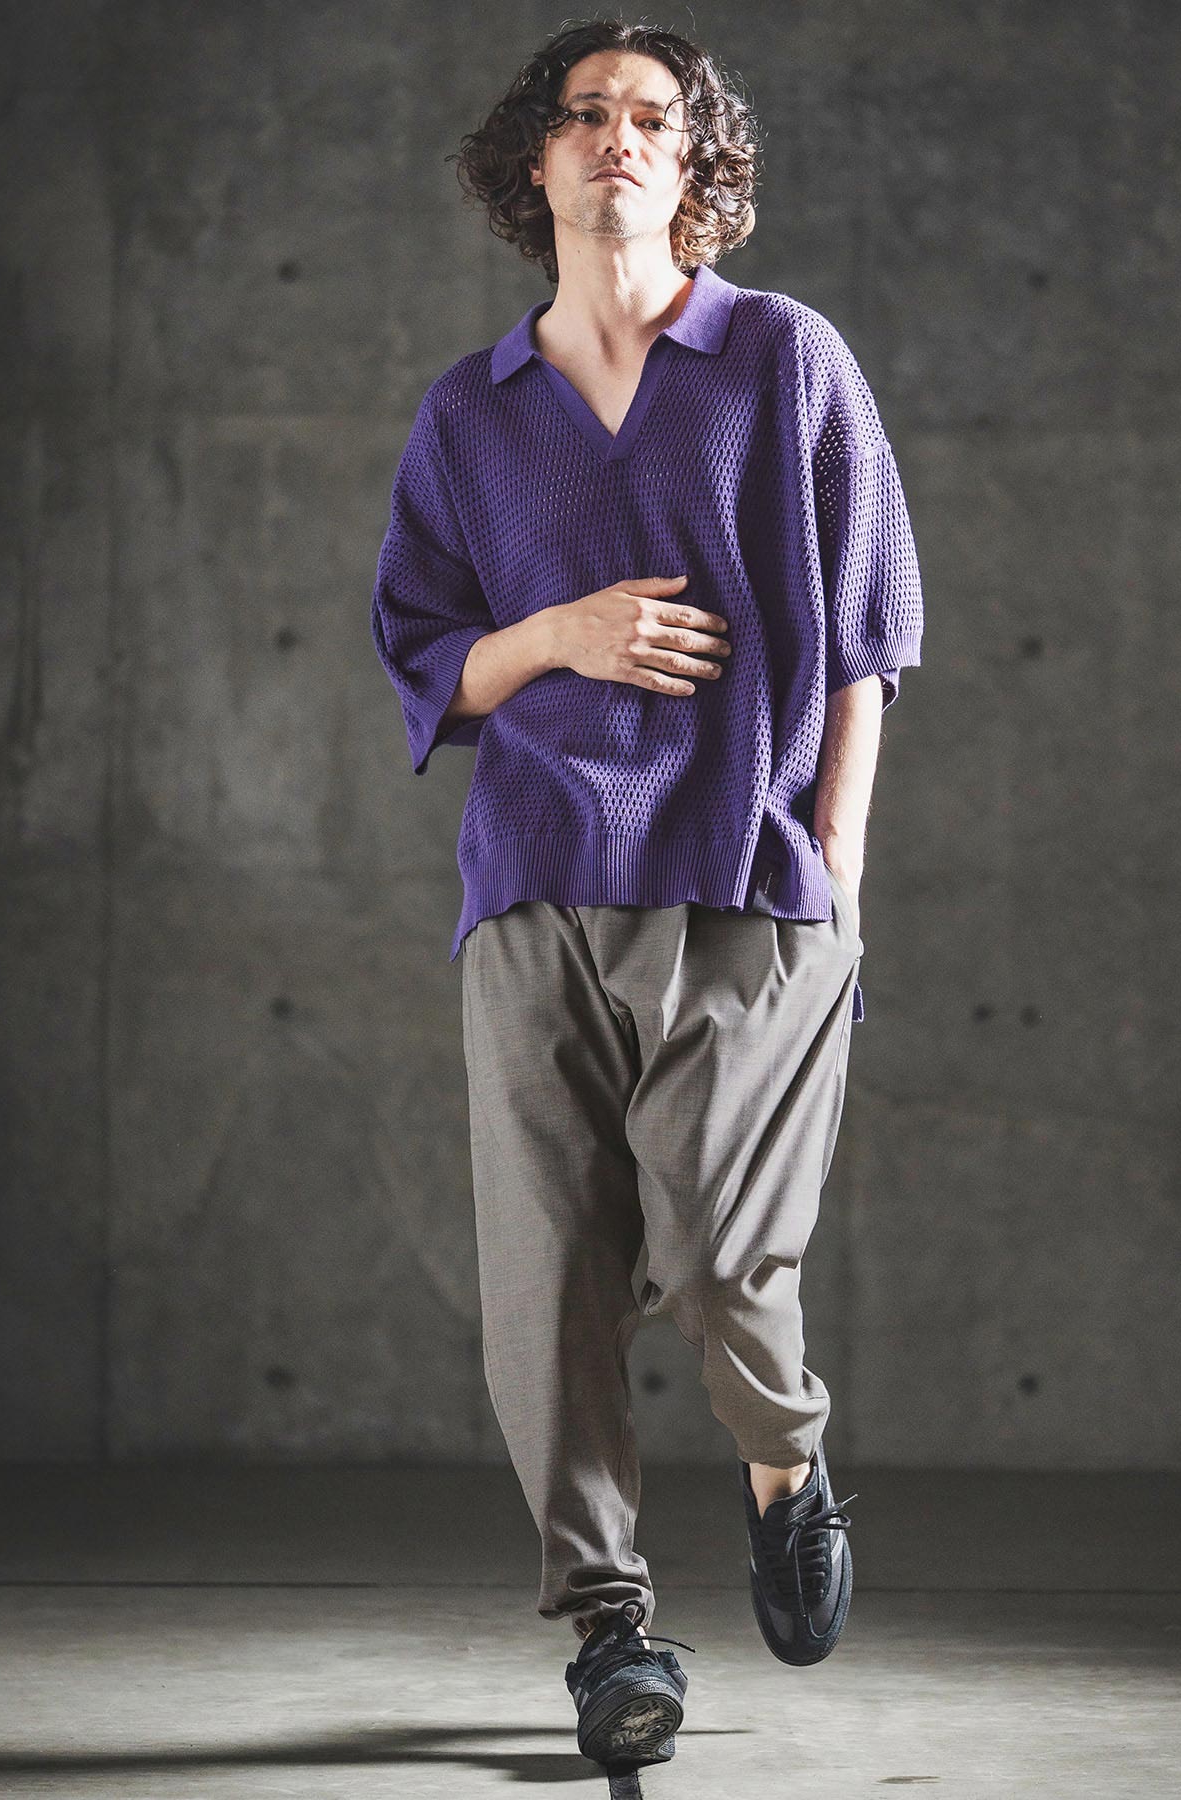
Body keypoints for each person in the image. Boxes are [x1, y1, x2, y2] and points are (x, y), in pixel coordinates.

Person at [369, 16, 923, 1771]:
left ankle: (784, 1465)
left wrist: (836, 867)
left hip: (745, 878)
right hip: (534, 884)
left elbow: (869, 635)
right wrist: (558, 634)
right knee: (550, 1286)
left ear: (697, 165)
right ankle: (612, 1631)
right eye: (587, 112)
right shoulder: (474, 413)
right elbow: (428, 663)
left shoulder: (782, 359)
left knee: (728, 1265)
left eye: (654, 118)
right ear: (532, 161)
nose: (619, 135)